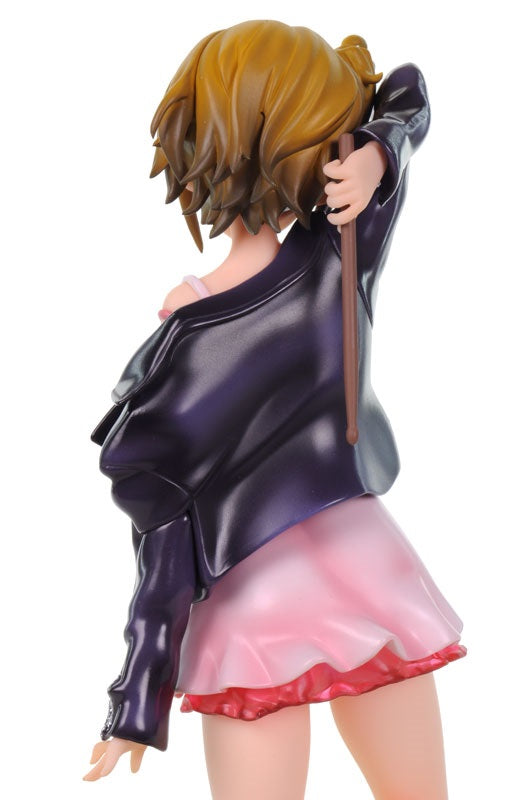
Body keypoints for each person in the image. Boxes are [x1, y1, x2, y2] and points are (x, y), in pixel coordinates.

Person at [84, 20, 466, 799]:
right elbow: (164, 524)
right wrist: (135, 700)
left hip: (344, 576)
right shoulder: (205, 325)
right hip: (266, 597)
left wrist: (377, 150)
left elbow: (405, 88)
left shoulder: (337, 247)